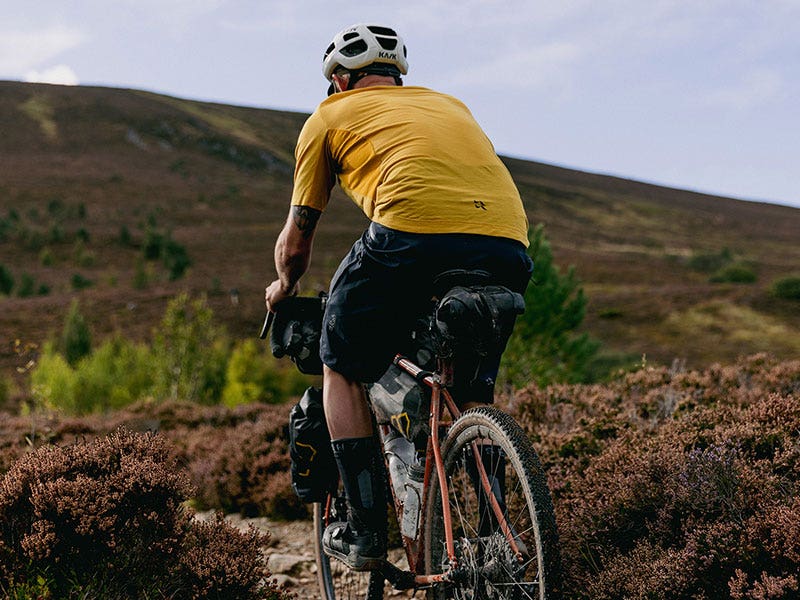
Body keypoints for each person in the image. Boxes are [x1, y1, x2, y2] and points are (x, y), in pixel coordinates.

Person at [264, 23, 533, 571]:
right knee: (468, 383)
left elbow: (298, 237)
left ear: (338, 80)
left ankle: (363, 530)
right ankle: (493, 536)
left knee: (338, 360)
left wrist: (284, 287)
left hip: (410, 234)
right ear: (396, 75)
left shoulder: (327, 116)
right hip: (508, 243)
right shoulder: (449, 104)